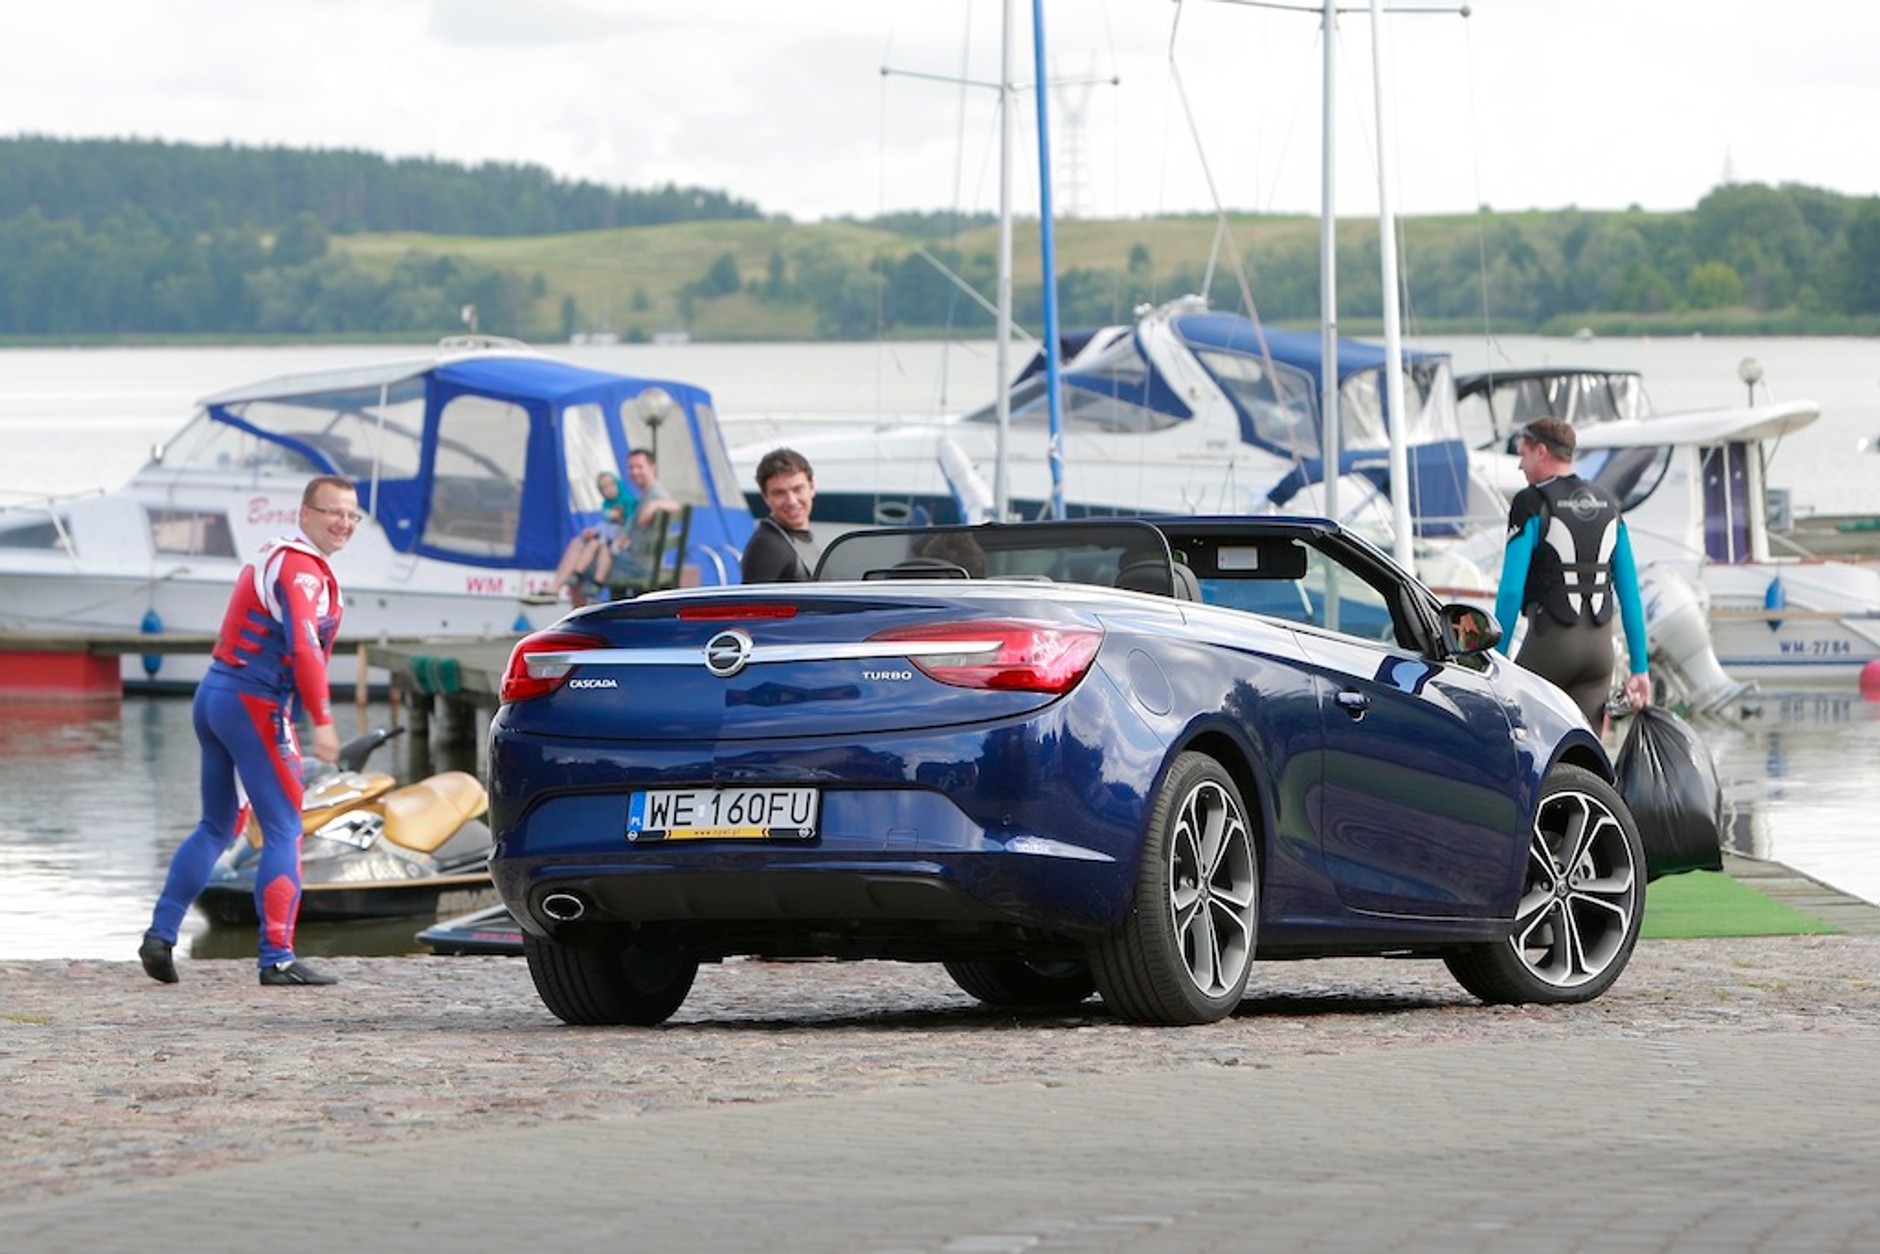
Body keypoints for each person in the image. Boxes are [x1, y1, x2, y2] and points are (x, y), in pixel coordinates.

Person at [139, 475, 357, 987]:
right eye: (333, 512)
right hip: (254, 704)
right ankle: (277, 957)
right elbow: (304, 649)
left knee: (218, 825)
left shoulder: (276, 554)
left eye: (351, 515)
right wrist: (323, 721)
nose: (344, 523)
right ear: (304, 515)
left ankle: (160, 935)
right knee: (283, 827)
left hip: (215, 695)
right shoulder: (302, 569)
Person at [1492, 417, 1652, 731]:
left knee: (1522, 745)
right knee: (1583, 755)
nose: (1520, 466)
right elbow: (1631, 596)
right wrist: (1640, 669)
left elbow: (1511, 591)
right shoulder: (1608, 504)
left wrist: (1495, 658)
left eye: (1522, 455)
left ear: (1541, 451)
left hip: (1551, 645)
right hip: (1599, 654)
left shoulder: (1531, 502)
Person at [568, 448, 679, 606]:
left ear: (653, 467)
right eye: (631, 467)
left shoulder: (655, 494)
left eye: (639, 467)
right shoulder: (645, 495)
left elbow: (675, 506)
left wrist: (656, 504)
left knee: (577, 564)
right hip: (638, 560)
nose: (634, 472)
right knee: (580, 546)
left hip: (637, 566)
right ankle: (556, 591)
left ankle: (576, 621)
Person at [549, 468, 634, 600]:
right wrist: (596, 531)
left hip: (621, 551)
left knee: (590, 546)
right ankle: (575, 575)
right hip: (609, 542)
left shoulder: (627, 501)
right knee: (590, 543)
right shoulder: (607, 505)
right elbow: (606, 526)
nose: (609, 489)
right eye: (604, 487)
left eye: (611, 484)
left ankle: (585, 581)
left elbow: (628, 525)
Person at [740, 447, 820, 583]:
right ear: (765, 497)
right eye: (779, 493)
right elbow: (753, 603)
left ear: (812, 487)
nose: (791, 501)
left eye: (797, 489)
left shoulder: (800, 539)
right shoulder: (768, 547)